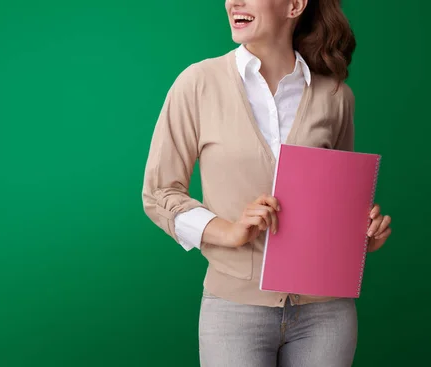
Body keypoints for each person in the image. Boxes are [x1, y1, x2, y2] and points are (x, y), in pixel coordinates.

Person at [141, 0, 392, 365]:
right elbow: (159, 193)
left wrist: (361, 235)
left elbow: (335, 205)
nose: (233, 2)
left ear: (294, 5)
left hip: (327, 315)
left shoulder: (336, 96)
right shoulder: (197, 83)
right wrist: (226, 230)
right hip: (233, 311)